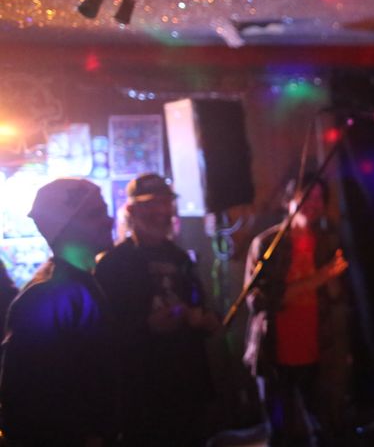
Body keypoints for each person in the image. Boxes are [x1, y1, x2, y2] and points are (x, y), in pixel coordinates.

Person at [95, 172, 220, 447]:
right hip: (144, 394)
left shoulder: (180, 257)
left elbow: (201, 307)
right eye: (151, 204)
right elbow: (103, 336)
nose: (161, 211)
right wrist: (147, 326)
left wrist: (205, 321)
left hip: (187, 388)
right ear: (131, 210)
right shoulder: (112, 265)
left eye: (165, 203)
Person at [0, 178, 118, 446]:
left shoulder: (80, 284)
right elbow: (26, 395)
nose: (109, 220)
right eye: (95, 214)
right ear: (66, 227)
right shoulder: (49, 296)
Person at [243, 175, 350, 447]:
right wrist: (320, 277)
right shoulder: (267, 244)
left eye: (319, 198)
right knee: (281, 434)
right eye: (307, 196)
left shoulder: (326, 242)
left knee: (324, 430)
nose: (313, 203)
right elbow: (258, 301)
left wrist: (332, 277)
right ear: (288, 199)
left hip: (317, 351)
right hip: (275, 354)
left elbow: (336, 297)